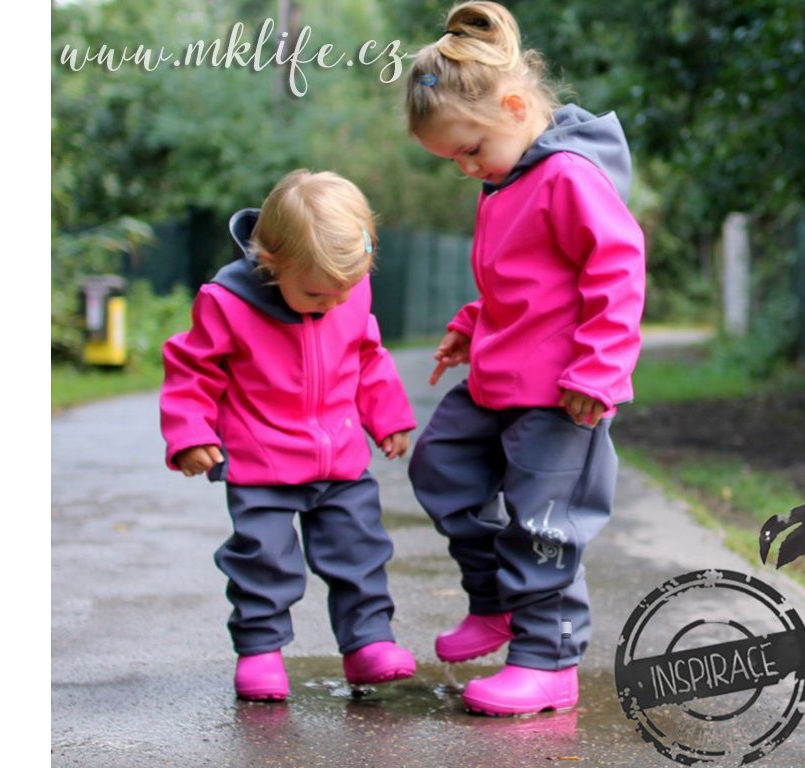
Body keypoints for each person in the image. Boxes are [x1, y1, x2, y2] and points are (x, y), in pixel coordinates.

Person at [404, 1, 646, 716]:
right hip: (498, 379)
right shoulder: (508, 178)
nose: (465, 167)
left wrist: (599, 372)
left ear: (514, 106)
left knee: (544, 523)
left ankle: (547, 661)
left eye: (469, 149)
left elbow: (617, 270)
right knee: (441, 465)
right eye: (453, 158)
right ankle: (496, 603)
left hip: (561, 394)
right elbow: (526, 284)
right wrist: (472, 324)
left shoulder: (568, 175)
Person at [160, 170, 417, 701]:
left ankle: (368, 643)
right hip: (262, 464)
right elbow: (192, 370)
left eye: (344, 292)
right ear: (271, 262)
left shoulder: (347, 291)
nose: (332, 303)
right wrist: (189, 432)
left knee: (360, 552)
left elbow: (367, 355)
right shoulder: (227, 302)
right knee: (263, 561)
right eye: (317, 293)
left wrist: (388, 417)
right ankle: (260, 652)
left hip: (341, 459)